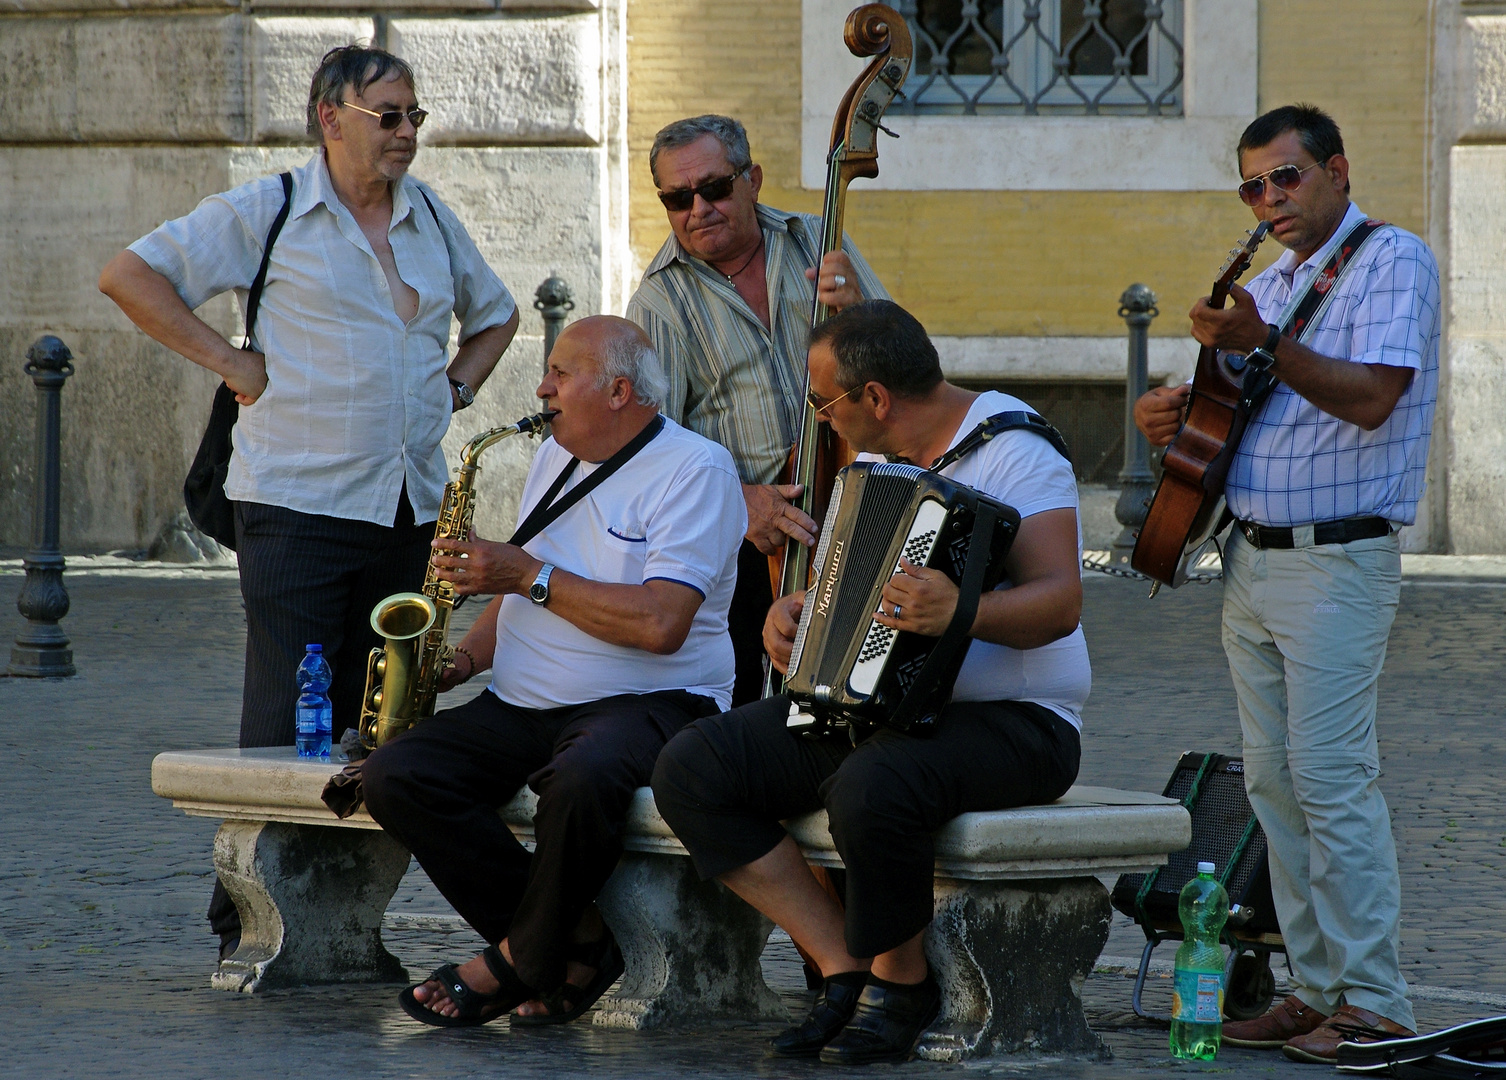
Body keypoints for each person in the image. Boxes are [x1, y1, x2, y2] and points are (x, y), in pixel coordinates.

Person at [98, 44, 519, 958]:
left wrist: (452, 389)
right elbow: (129, 275)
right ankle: (250, 926)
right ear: (331, 118)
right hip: (297, 510)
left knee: (393, 732)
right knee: (294, 725)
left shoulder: (432, 216)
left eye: (415, 116)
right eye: (390, 116)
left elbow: (497, 314)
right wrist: (230, 362)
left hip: (408, 509)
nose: (408, 132)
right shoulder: (272, 207)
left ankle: (348, 925)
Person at [650, 300, 1090, 1065]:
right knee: (694, 766)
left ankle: (901, 981)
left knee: (872, 783)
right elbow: (844, 599)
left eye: (825, 404)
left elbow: (1060, 602)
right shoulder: (870, 469)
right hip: (875, 713)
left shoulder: (1017, 449)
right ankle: (842, 965)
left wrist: (960, 611)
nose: (822, 421)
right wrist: (792, 620)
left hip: (1020, 723)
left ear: (876, 398)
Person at [1134, 103, 1439, 1064]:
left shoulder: (1393, 260)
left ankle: (1378, 999)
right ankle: (1314, 989)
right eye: (1252, 186)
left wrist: (1262, 342)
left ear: (1337, 171)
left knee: (1332, 778)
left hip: (1339, 559)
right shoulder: (1277, 283)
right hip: (1254, 559)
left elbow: (1373, 396)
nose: (1269, 200)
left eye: (1287, 177)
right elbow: (1238, 421)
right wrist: (1172, 420)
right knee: (1271, 781)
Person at [361, 315, 746, 1028]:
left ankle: (514, 961)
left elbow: (662, 624)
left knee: (582, 779)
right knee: (395, 774)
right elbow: (518, 593)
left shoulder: (696, 471)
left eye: (561, 374)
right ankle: (577, 943)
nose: (542, 388)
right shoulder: (555, 452)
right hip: (523, 700)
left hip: (651, 699)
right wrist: (464, 660)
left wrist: (527, 572)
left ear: (620, 391)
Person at [626, 114, 888, 705]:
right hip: (744, 543)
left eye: (715, 188)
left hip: (854, 507)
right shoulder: (658, 302)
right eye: (678, 198)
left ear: (753, 180)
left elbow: (907, 366)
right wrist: (738, 501)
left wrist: (859, 311)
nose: (699, 208)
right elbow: (648, 447)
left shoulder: (818, 240)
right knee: (754, 699)